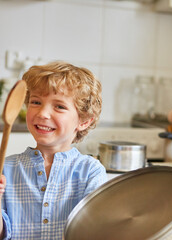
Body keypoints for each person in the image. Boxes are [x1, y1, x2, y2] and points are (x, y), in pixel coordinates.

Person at [0, 61, 108, 239]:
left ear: (84, 121)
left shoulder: (90, 172)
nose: (42, 113)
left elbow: (94, 231)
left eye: (59, 106)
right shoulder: (6, 168)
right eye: (36, 102)